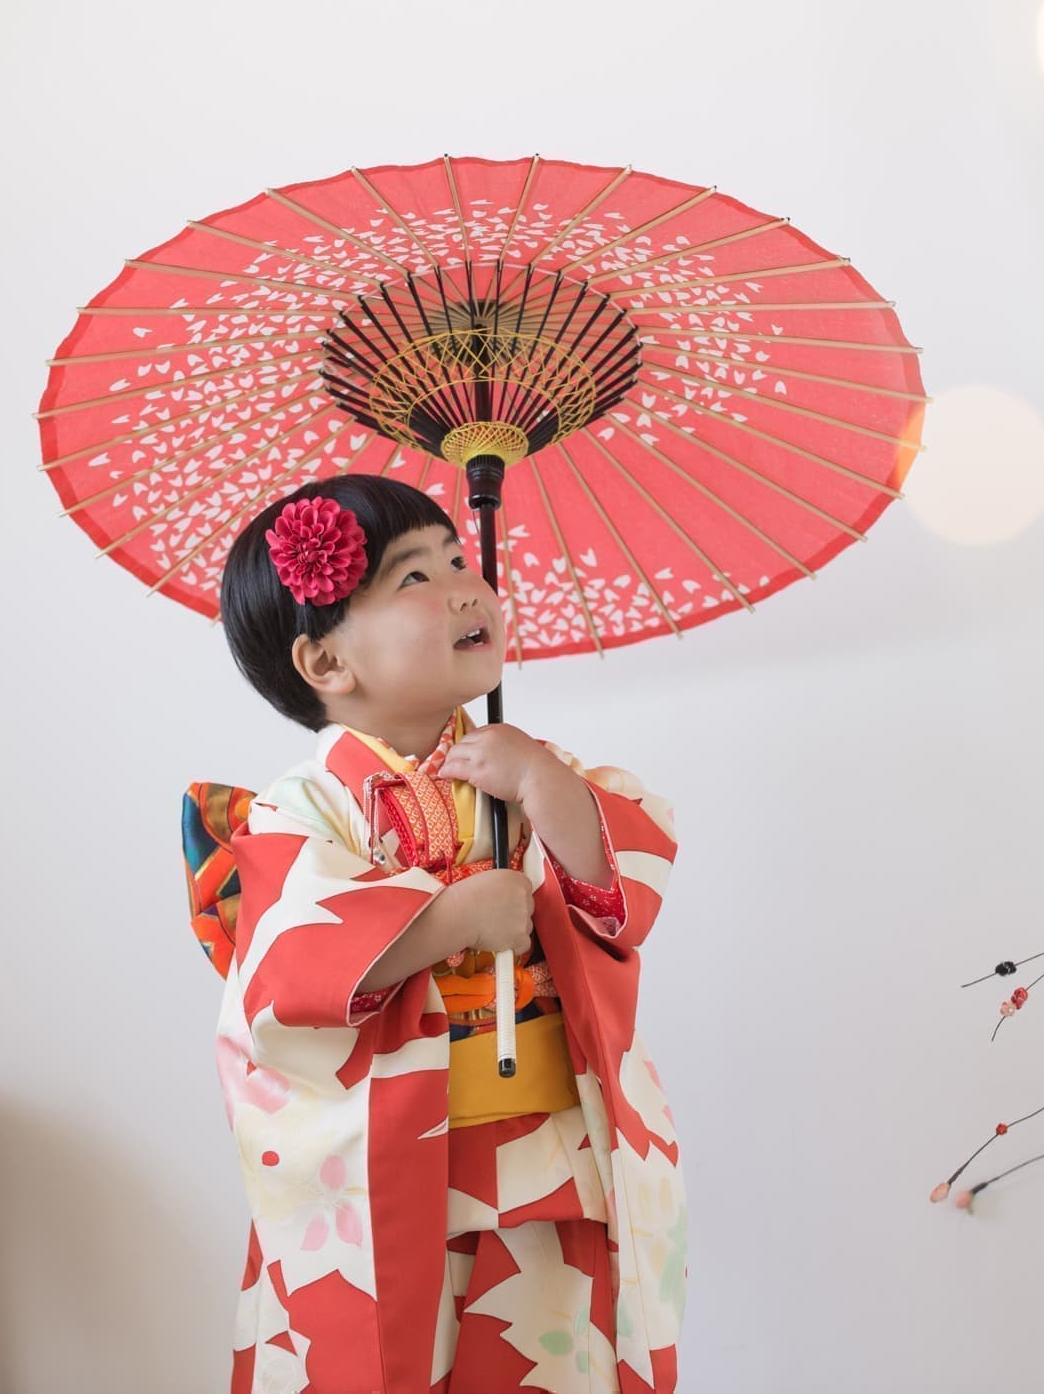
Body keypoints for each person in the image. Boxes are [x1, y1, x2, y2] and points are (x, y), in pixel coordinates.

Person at [200, 472, 685, 1394]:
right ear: (326, 663)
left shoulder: (528, 768)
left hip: (547, 1145)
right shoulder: (303, 807)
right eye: (415, 576)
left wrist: (542, 785)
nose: (468, 588)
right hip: (388, 1164)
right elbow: (289, 966)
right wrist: (450, 919)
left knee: (549, 1356)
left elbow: (622, 893)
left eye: (461, 559)